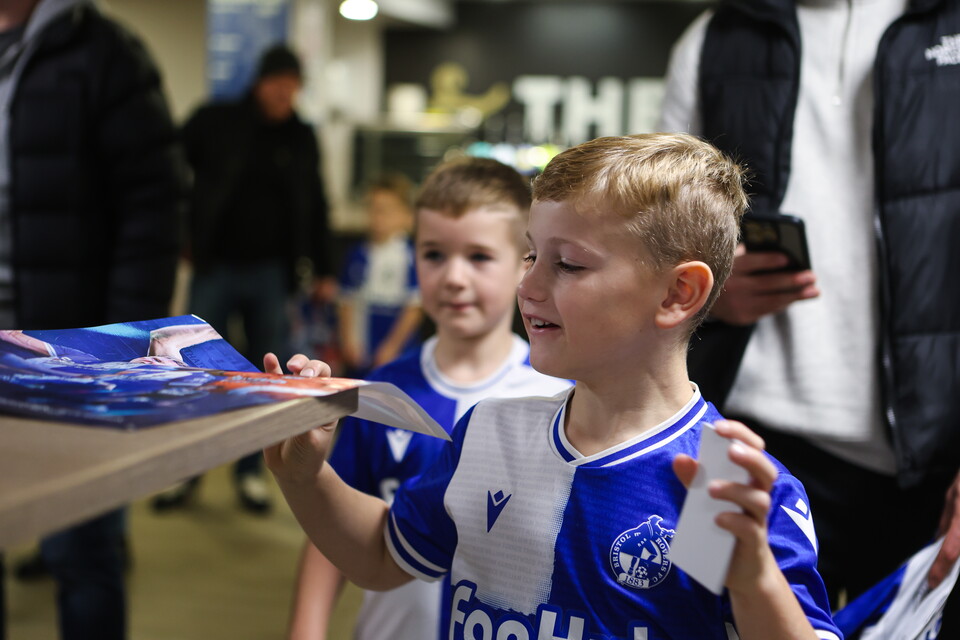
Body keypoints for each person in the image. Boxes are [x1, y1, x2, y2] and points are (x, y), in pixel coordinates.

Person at [265, 134, 842, 640]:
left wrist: (756, 579)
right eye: (531, 255)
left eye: (567, 265)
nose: (528, 286)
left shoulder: (717, 484)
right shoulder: (489, 432)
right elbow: (382, 556)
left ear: (677, 294)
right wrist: (305, 477)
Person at [658, 0, 960, 625]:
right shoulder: (717, 35)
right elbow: (659, 223)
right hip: (735, 431)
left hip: (930, 455)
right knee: (697, 626)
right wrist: (707, 290)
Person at [286, 158, 572, 639]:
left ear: (526, 262)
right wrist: (306, 629)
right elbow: (331, 523)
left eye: (479, 257)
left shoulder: (557, 394)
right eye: (434, 254)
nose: (453, 277)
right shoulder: (381, 392)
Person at [0, 0, 184, 637]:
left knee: (81, 550)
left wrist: (118, 346)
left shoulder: (103, 53)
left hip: (67, 352)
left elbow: (153, 209)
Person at [154, 44, 336, 514]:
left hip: (271, 275)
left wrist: (326, 267)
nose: (285, 95)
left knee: (263, 373)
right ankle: (184, 473)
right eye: (278, 84)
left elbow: (315, 202)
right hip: (214, 269)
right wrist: (179, 232)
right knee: (192, 371)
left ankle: (251, 475)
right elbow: (163, 168)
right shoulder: (216, 120)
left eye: (293, 87)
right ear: (260, 82)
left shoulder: (301, 136)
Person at [337, 173, 421, 378]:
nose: (378, 217)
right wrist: (348, 340)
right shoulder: (357, 254)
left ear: (407, 216)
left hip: (397, 344)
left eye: (386, 210)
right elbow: (345, 300)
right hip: (363, 342)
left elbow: (414, 307)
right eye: (372, 209)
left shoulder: (412, 256)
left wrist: (393, 346)